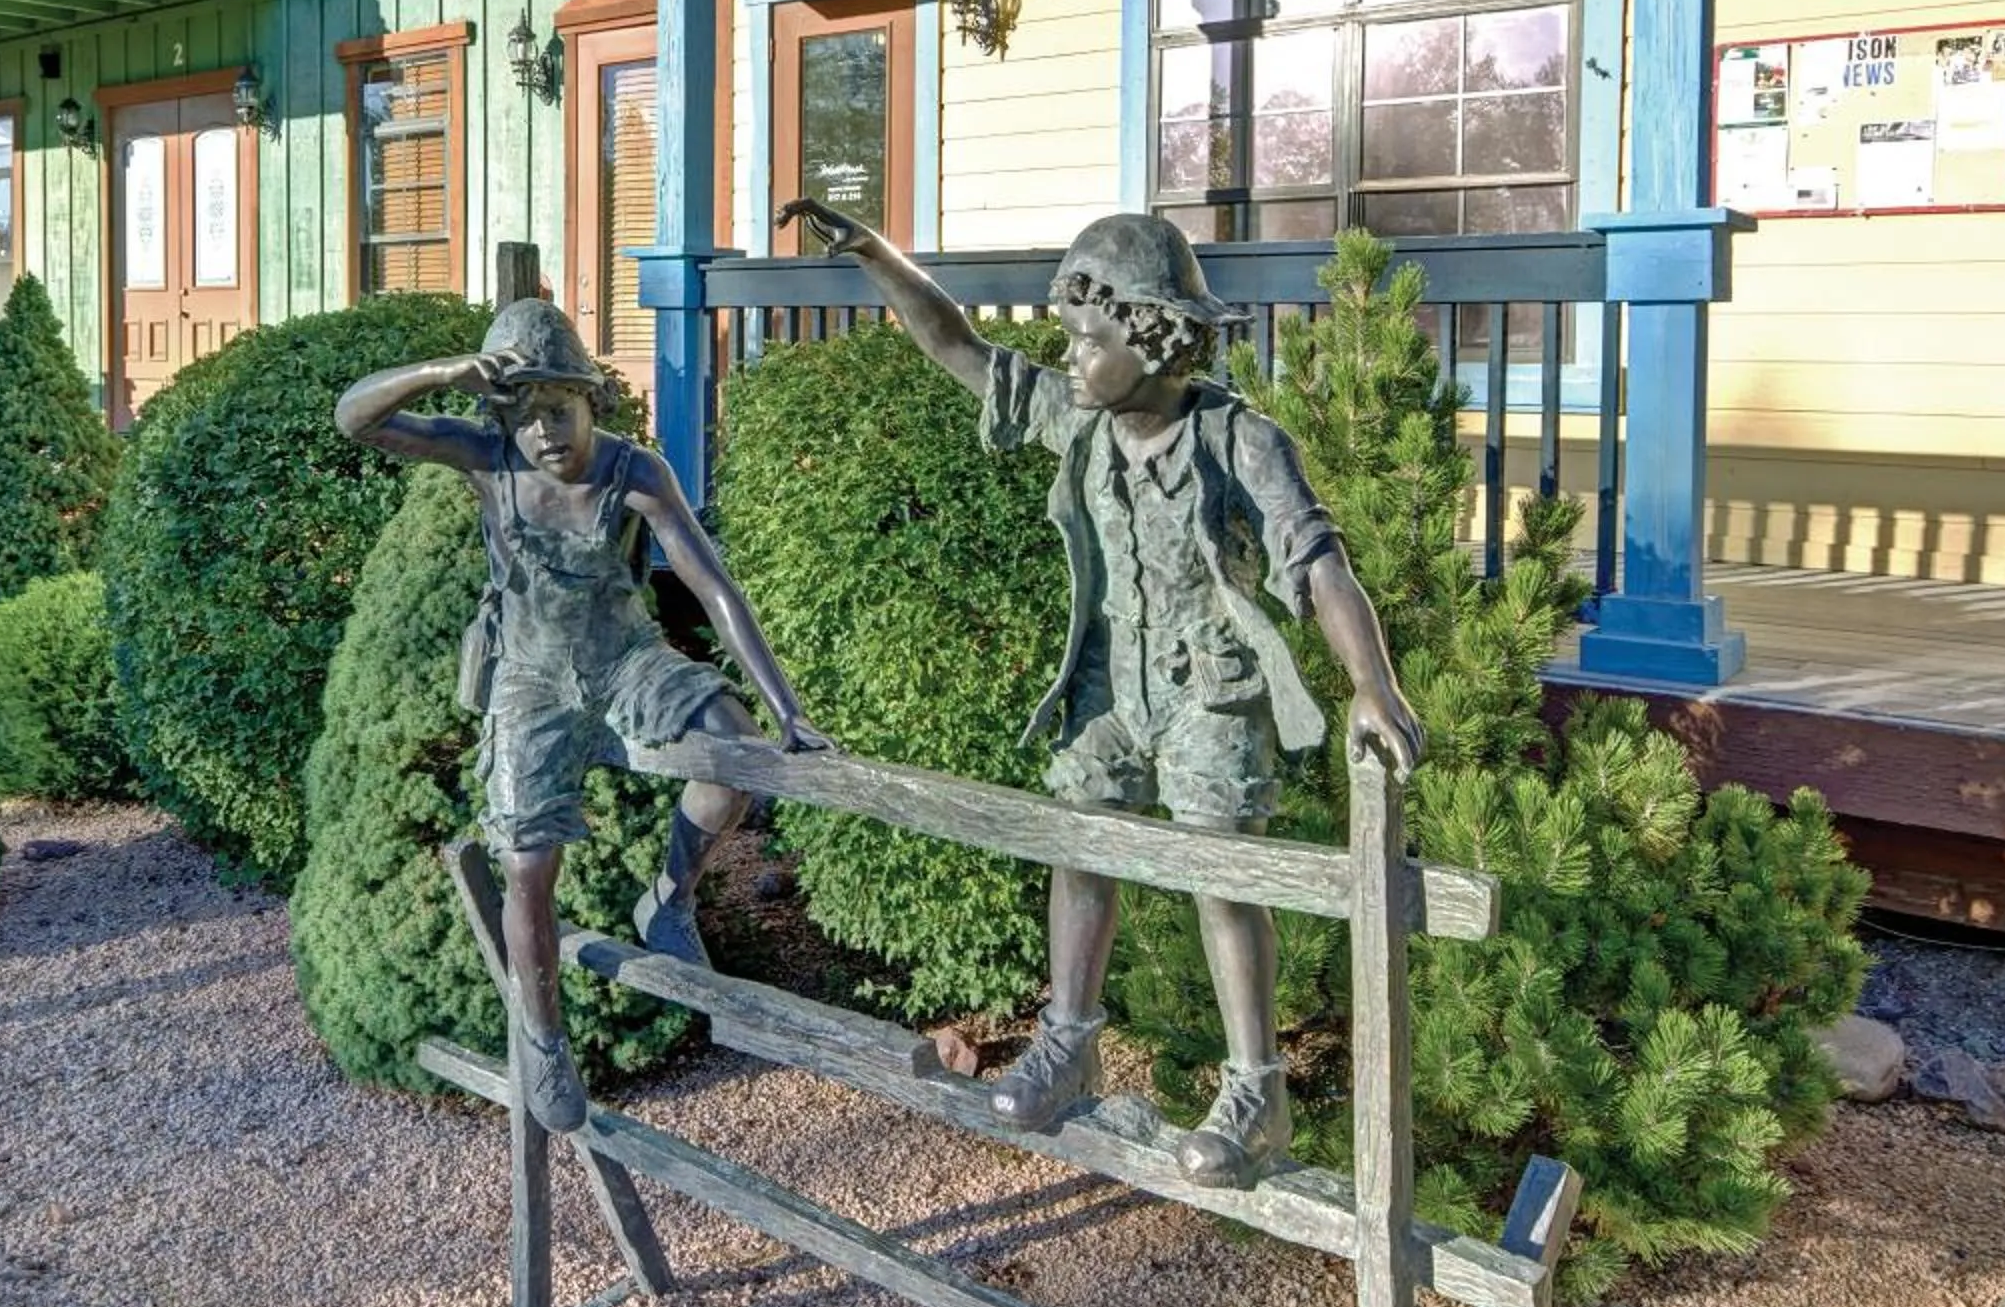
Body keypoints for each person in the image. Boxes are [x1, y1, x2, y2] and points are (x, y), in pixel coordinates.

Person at [776, 200, 1424, 1188]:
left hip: (1212, 684)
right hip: (1113, 682)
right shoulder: (1081, 419)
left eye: (1088, 339)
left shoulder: (1238, 439)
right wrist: (874, 252)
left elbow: (1318, 561)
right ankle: (1069, 1036)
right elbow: (957, 344)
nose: (1069, 357)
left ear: (1152, 335)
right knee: (1080, 834)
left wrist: (1372, 687)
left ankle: (1256, 1087)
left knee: (1221, 871)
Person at [335, 299, 831, 1133]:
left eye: (557, 412)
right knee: (527, 860)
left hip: (625, 659)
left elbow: (712, 587)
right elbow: (356, 418)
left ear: (589, 400)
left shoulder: (634, 472)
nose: (544, 436)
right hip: (530, 675)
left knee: (731, 754)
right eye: (524, 419)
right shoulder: (484, 457)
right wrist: (446, 372)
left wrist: (788, 709)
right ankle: (541, 1033)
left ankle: (668, 898)